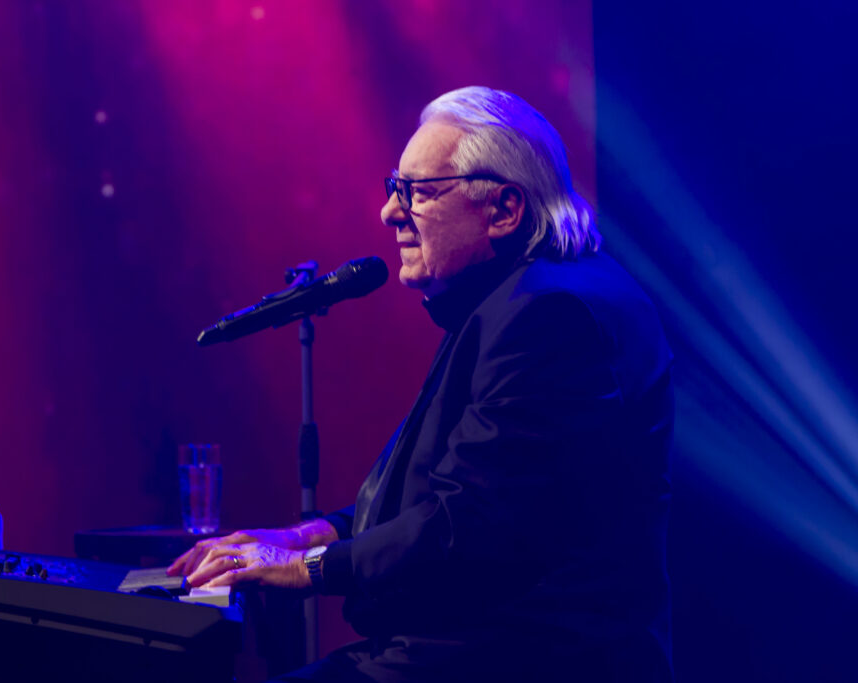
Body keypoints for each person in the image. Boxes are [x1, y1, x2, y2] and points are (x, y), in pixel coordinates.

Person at [168, 86, 674, 682]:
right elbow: (436, 498)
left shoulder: (548, 316)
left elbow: (468, 524)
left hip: (516, 660)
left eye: (417, 192)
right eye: (395, 187)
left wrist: (307, 567)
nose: (389, 212)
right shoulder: (515, 298)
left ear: (504, 210)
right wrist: (301, 536)